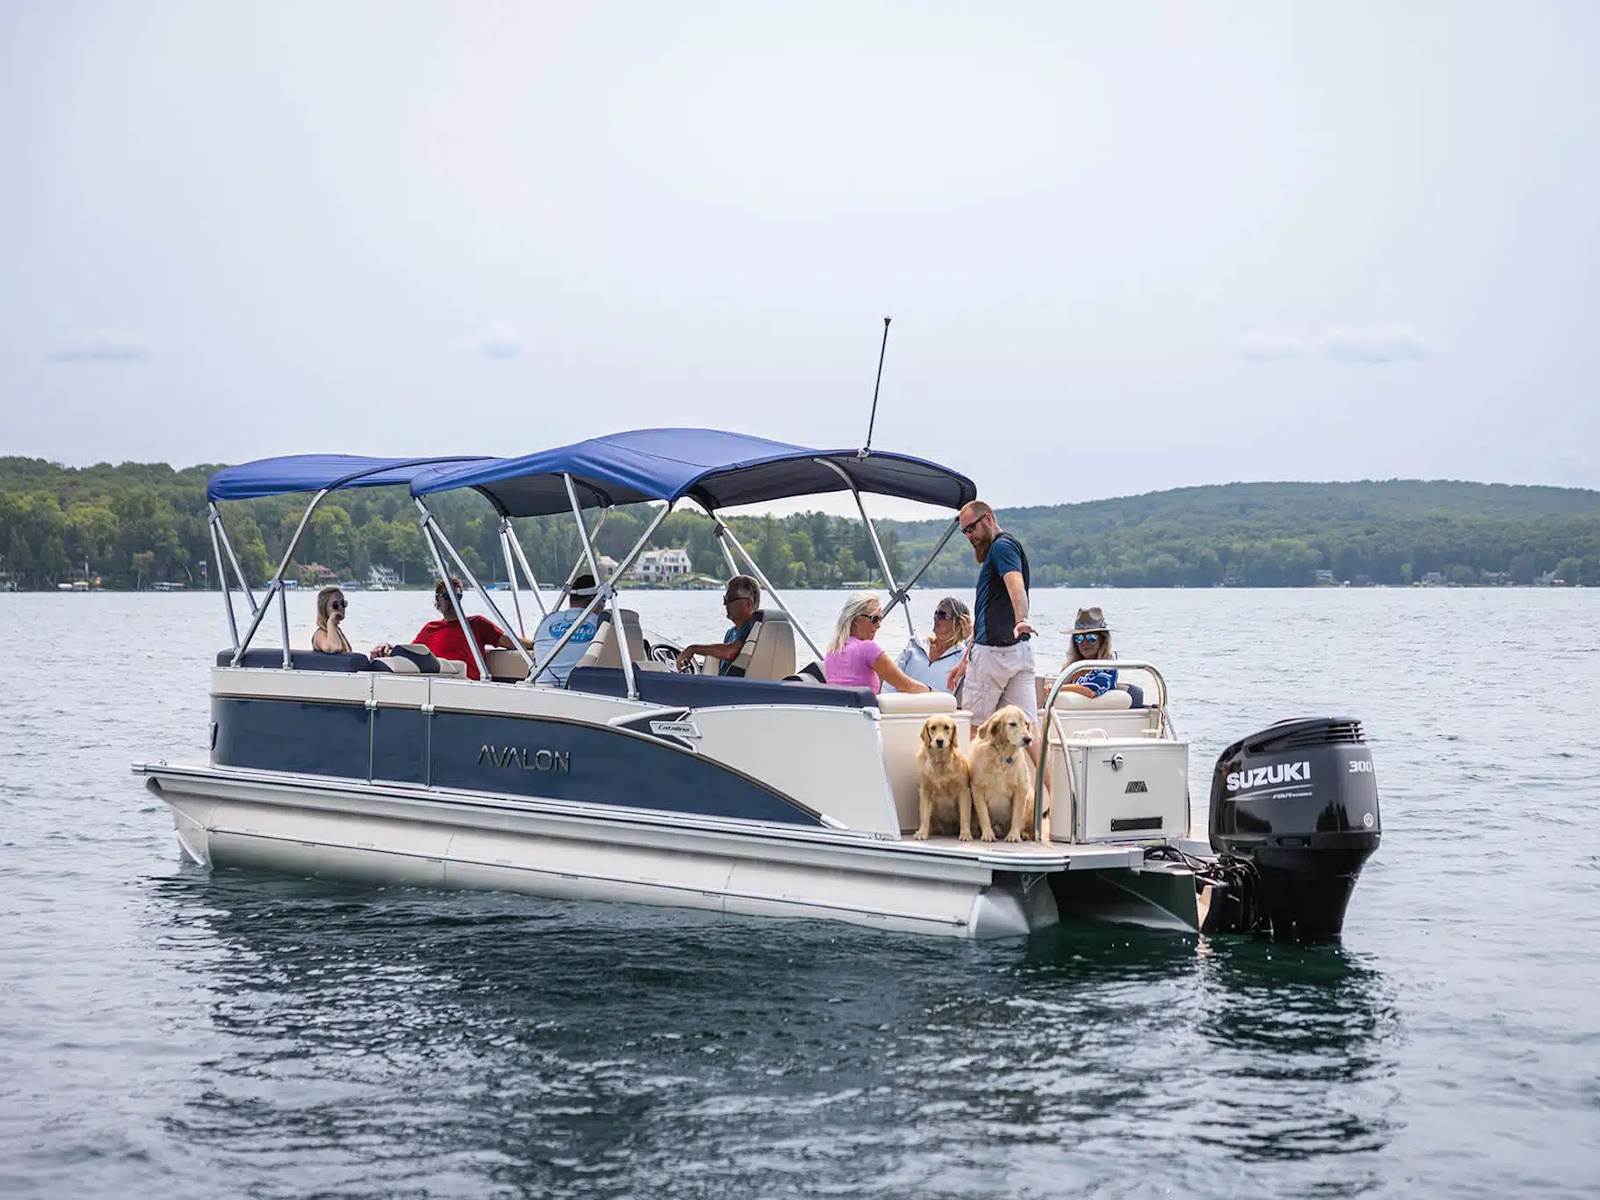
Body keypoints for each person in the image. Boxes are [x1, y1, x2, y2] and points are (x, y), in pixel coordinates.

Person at [946, 500, 1036, 720]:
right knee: (1025, 726)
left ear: (988, 519)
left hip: (993, 654)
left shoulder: (1001, 547)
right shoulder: (1005, 548)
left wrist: (1021, 619)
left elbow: (1016, 585)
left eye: (971, 528)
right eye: (965, 532)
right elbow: (986, 616)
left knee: (975, 725)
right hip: (1018, 651)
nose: (969, 536)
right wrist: (965, 660)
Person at [412, 577, 533, 680]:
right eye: (448, 597)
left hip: (468, 685)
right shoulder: (430, 629)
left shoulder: (476, 624)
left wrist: (537, 644)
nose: (454, 601)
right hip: (436, 684)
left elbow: (509, 641)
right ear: (438, 600)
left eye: (457, 597)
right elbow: (410, 653)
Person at [823, 592, 933, 695]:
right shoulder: (868, 649)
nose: (878, 625)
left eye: (880, 619)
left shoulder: (832, 651)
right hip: (865, 709)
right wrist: (934, 692)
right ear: (856, 619)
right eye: (874, 619)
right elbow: (907, 686)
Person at [675, 575, 762, 675]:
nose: (725, 603)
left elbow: (729, 652)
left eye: (730, 598)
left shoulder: (752, 628)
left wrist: (692, 649)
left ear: (748, 604)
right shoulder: (731, 633)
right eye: (725, 598)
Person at [885, 596, 971, 695]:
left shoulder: (963, 657)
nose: (935, 617)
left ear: (958, 623)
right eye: (936, 613)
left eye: (942, 615)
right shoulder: (915, 644)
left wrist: (969, 638)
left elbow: (980, 666)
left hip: (938, 704)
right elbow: (891, 679)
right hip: (903, 703)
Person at [531, 573, 607, 685]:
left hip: (540, 685)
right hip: (580, 689)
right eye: (604, 601)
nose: (604, 606)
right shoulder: (601, 624)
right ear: (595, 600)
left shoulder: (548, 620)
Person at [312, 586, 391, 658]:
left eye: (343, 604)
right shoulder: (320, 634)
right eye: (335, 605)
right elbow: (334, 648)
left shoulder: (336, 631)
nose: (341, 608)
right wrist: (330, 622)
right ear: (324, 608)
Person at [1058, 607, 1118, 697]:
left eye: (1091, 638)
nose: (1085, 643)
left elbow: (1092, 691)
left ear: (1102, 640)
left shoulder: (1107, 667)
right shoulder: (1071, 668)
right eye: (1079, 638)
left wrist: (1058, 688)